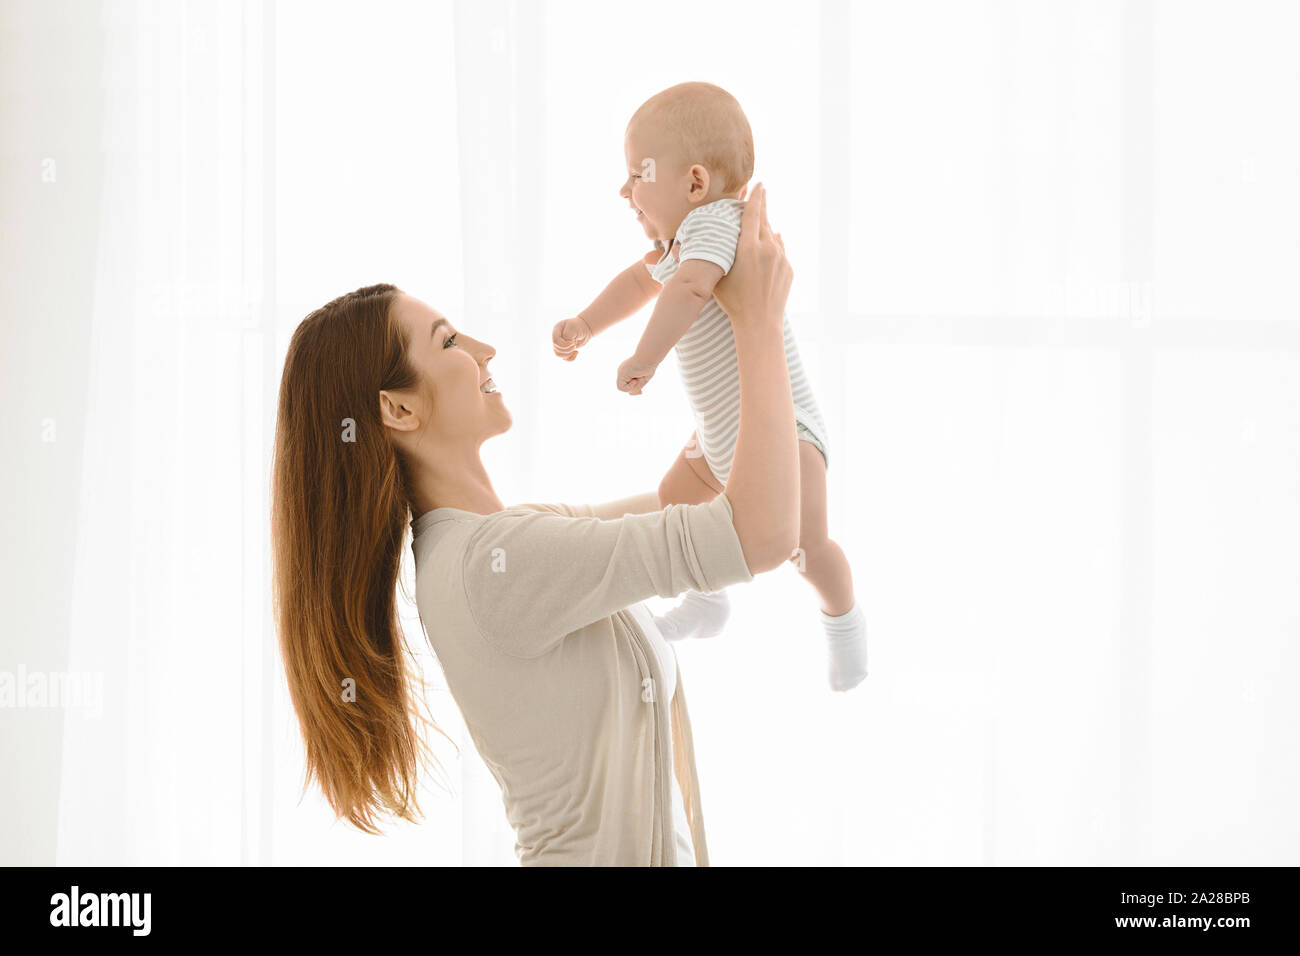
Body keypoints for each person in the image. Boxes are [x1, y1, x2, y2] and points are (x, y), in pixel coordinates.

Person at [272, 185, 799, 865]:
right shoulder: (495, 563)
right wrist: (759, 325)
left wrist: (710, 317)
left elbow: (691, 497)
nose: (484, 348)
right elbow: (759, 533)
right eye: (450, 341)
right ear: (398, 411)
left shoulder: (503, 542)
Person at [552, 82, 867, 691]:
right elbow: (640, 282)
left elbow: (689, 292)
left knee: (808, 548)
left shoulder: (719, 226)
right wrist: (587, 324)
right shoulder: (678, 243)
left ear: (695, 183)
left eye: (636, 175)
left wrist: (644, 357)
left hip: (786, 431)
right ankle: (708, 602)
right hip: (721, 434)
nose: (625, 191)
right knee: (675, 498)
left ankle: (844, 622)